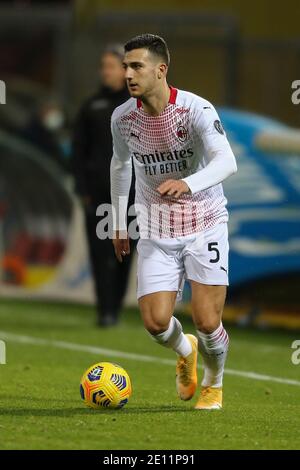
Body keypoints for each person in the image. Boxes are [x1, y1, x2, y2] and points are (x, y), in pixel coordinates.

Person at [110, 34, 237, 409]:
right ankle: (186, 352)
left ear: (161, 69)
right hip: (156, 227)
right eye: (126, 67)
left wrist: (188, 183)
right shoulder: (122, 118)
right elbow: (120, 164)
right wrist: (119, 221)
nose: (129, 74)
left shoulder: (196, 110)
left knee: (207, 320)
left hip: (205, 222)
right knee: (155, 322)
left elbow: (226, 162)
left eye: (137, 66)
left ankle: (215, 384)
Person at [72, 44, 135, 327]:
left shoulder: (139, 105)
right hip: (98, 195)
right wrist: (82, 189)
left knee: (125, 251)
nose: (106, 72)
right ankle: (104, 311)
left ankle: (116, 308)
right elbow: (77, 151)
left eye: (112, 66)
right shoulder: (91, 106)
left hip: (133, 196)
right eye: (104, 66)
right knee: (99, 253)